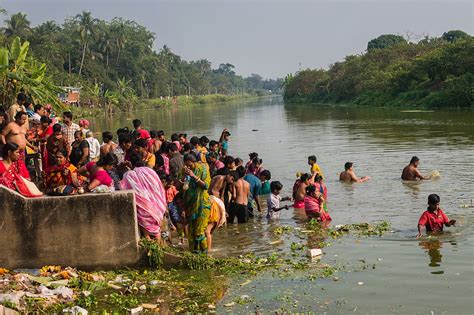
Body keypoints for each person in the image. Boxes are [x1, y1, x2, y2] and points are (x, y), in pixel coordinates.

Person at [121, 152, 167, 242]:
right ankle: (159, 251)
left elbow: (125, 189)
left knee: (146, 232)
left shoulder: (129, 174)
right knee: (157, 231)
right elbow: (159, 187)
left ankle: (150, 251)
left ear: (130, 162)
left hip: (144, 205)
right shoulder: (151, 171)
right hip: (156, 205)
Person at [181, 153, 212, 253]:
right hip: (190, 205)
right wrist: (182, 180)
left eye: (190, 165)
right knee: (191, 233)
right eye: (186, 165)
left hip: (203, 204)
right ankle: (194, 255)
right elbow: (182, 186)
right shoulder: (184, 170)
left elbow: (206, 186)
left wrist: (193, 176)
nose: (188, 167)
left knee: (199, 232)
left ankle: (204, 255)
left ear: (195, 162)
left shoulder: (203, 169)